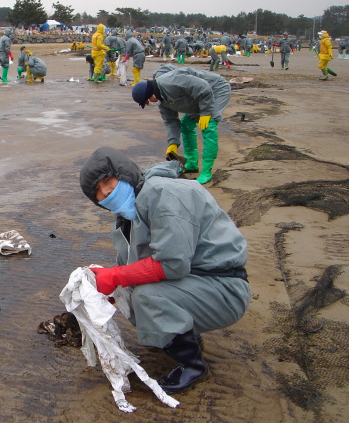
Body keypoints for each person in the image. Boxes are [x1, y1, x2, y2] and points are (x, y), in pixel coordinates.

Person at [79, 146, 250, 394]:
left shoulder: (165, 194)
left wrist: (115, 276)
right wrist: (104, 281)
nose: (105, 192)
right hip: (197, 281)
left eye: (107, 181)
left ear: (123, 172)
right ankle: (183, 333)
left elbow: (173, 264)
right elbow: (130, 264)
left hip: (225, 287)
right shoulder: (130, 212)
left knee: (148, 296)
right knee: (126, 290)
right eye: (97, 192)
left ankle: (193, 364)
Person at [131, 65, 232, 184]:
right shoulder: (162, 101)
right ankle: (191, 162)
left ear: (150, 94)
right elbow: (171, 121)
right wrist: (173, 143)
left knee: (208, 127)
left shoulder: (171, 81)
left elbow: (203, 87)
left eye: (147, 102)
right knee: (186, 124)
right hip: (198, 98)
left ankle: (207, 169)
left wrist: (205, 113)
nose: (149, 104)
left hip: (215, 89)